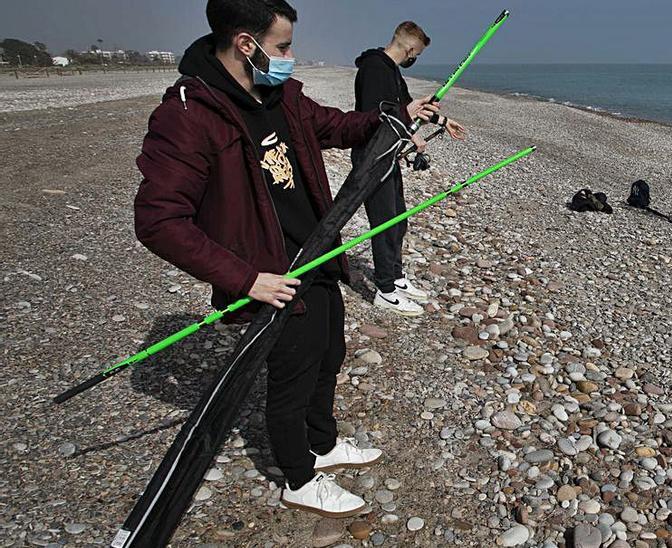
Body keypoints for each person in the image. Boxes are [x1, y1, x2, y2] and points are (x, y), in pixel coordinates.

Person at [134, 0, 442, 518]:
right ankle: (298, 478)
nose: (290, 56)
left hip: (317, 254)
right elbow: (158, 220)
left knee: (328, 357)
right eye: (283, 46)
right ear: (245, 44)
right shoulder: (187, 115)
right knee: (292, 378)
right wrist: (245, 279)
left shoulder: (280, 94)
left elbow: (336, 127)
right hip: (270, 276)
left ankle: (321, 446)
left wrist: (396, 116)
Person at [353, 21, 465, 317]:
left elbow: (405, 105)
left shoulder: (390, 69)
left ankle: (396, 277)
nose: (416, 59)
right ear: (411, 48)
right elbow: (379, 114)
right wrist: (412, 135)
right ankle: (385, 291)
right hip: (373, 158)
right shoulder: (375, 69)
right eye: (418, 54)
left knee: (398, 218)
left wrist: (442, 122)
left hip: (388, 155)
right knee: (385, 221)